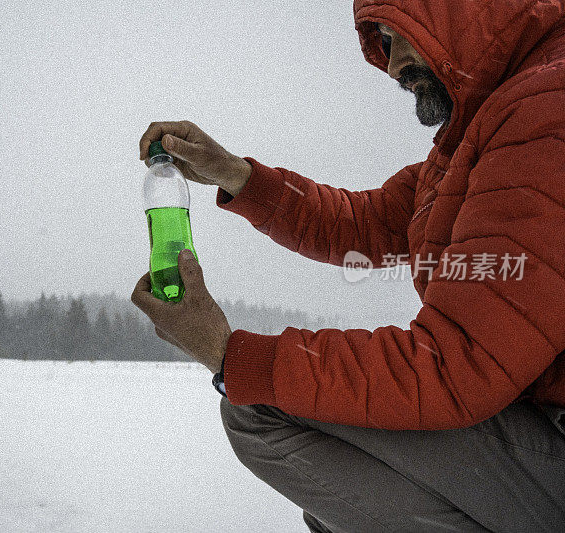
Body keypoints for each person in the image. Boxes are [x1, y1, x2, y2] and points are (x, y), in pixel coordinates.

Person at [131, 1, 565, 531]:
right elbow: (364, 224)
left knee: (264, 410)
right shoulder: (489, 127)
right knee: (332, 478)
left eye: (401, 32)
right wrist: (233, 172)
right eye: (383, 40)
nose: (392, 61)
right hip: (534, 426)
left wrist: (227, 352)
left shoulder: (547, 113)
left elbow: (458, 363)